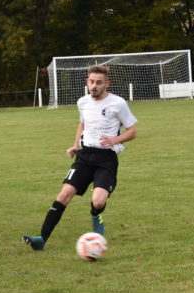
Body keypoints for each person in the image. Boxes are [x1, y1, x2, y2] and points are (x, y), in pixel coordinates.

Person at [23, 65, 138, 251]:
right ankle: (41, 239)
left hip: (106, 158)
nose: (94, 86)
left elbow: (132, 131)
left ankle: (96, 215)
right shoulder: (83, 102)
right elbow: (82, 124)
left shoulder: (118, 103)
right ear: (87, 82)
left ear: (107, 84)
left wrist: (115, 140)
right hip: (85, 156)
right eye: (92, 82)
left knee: (98, 201)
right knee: (64, 195)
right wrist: (75, 145)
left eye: (99, 82)